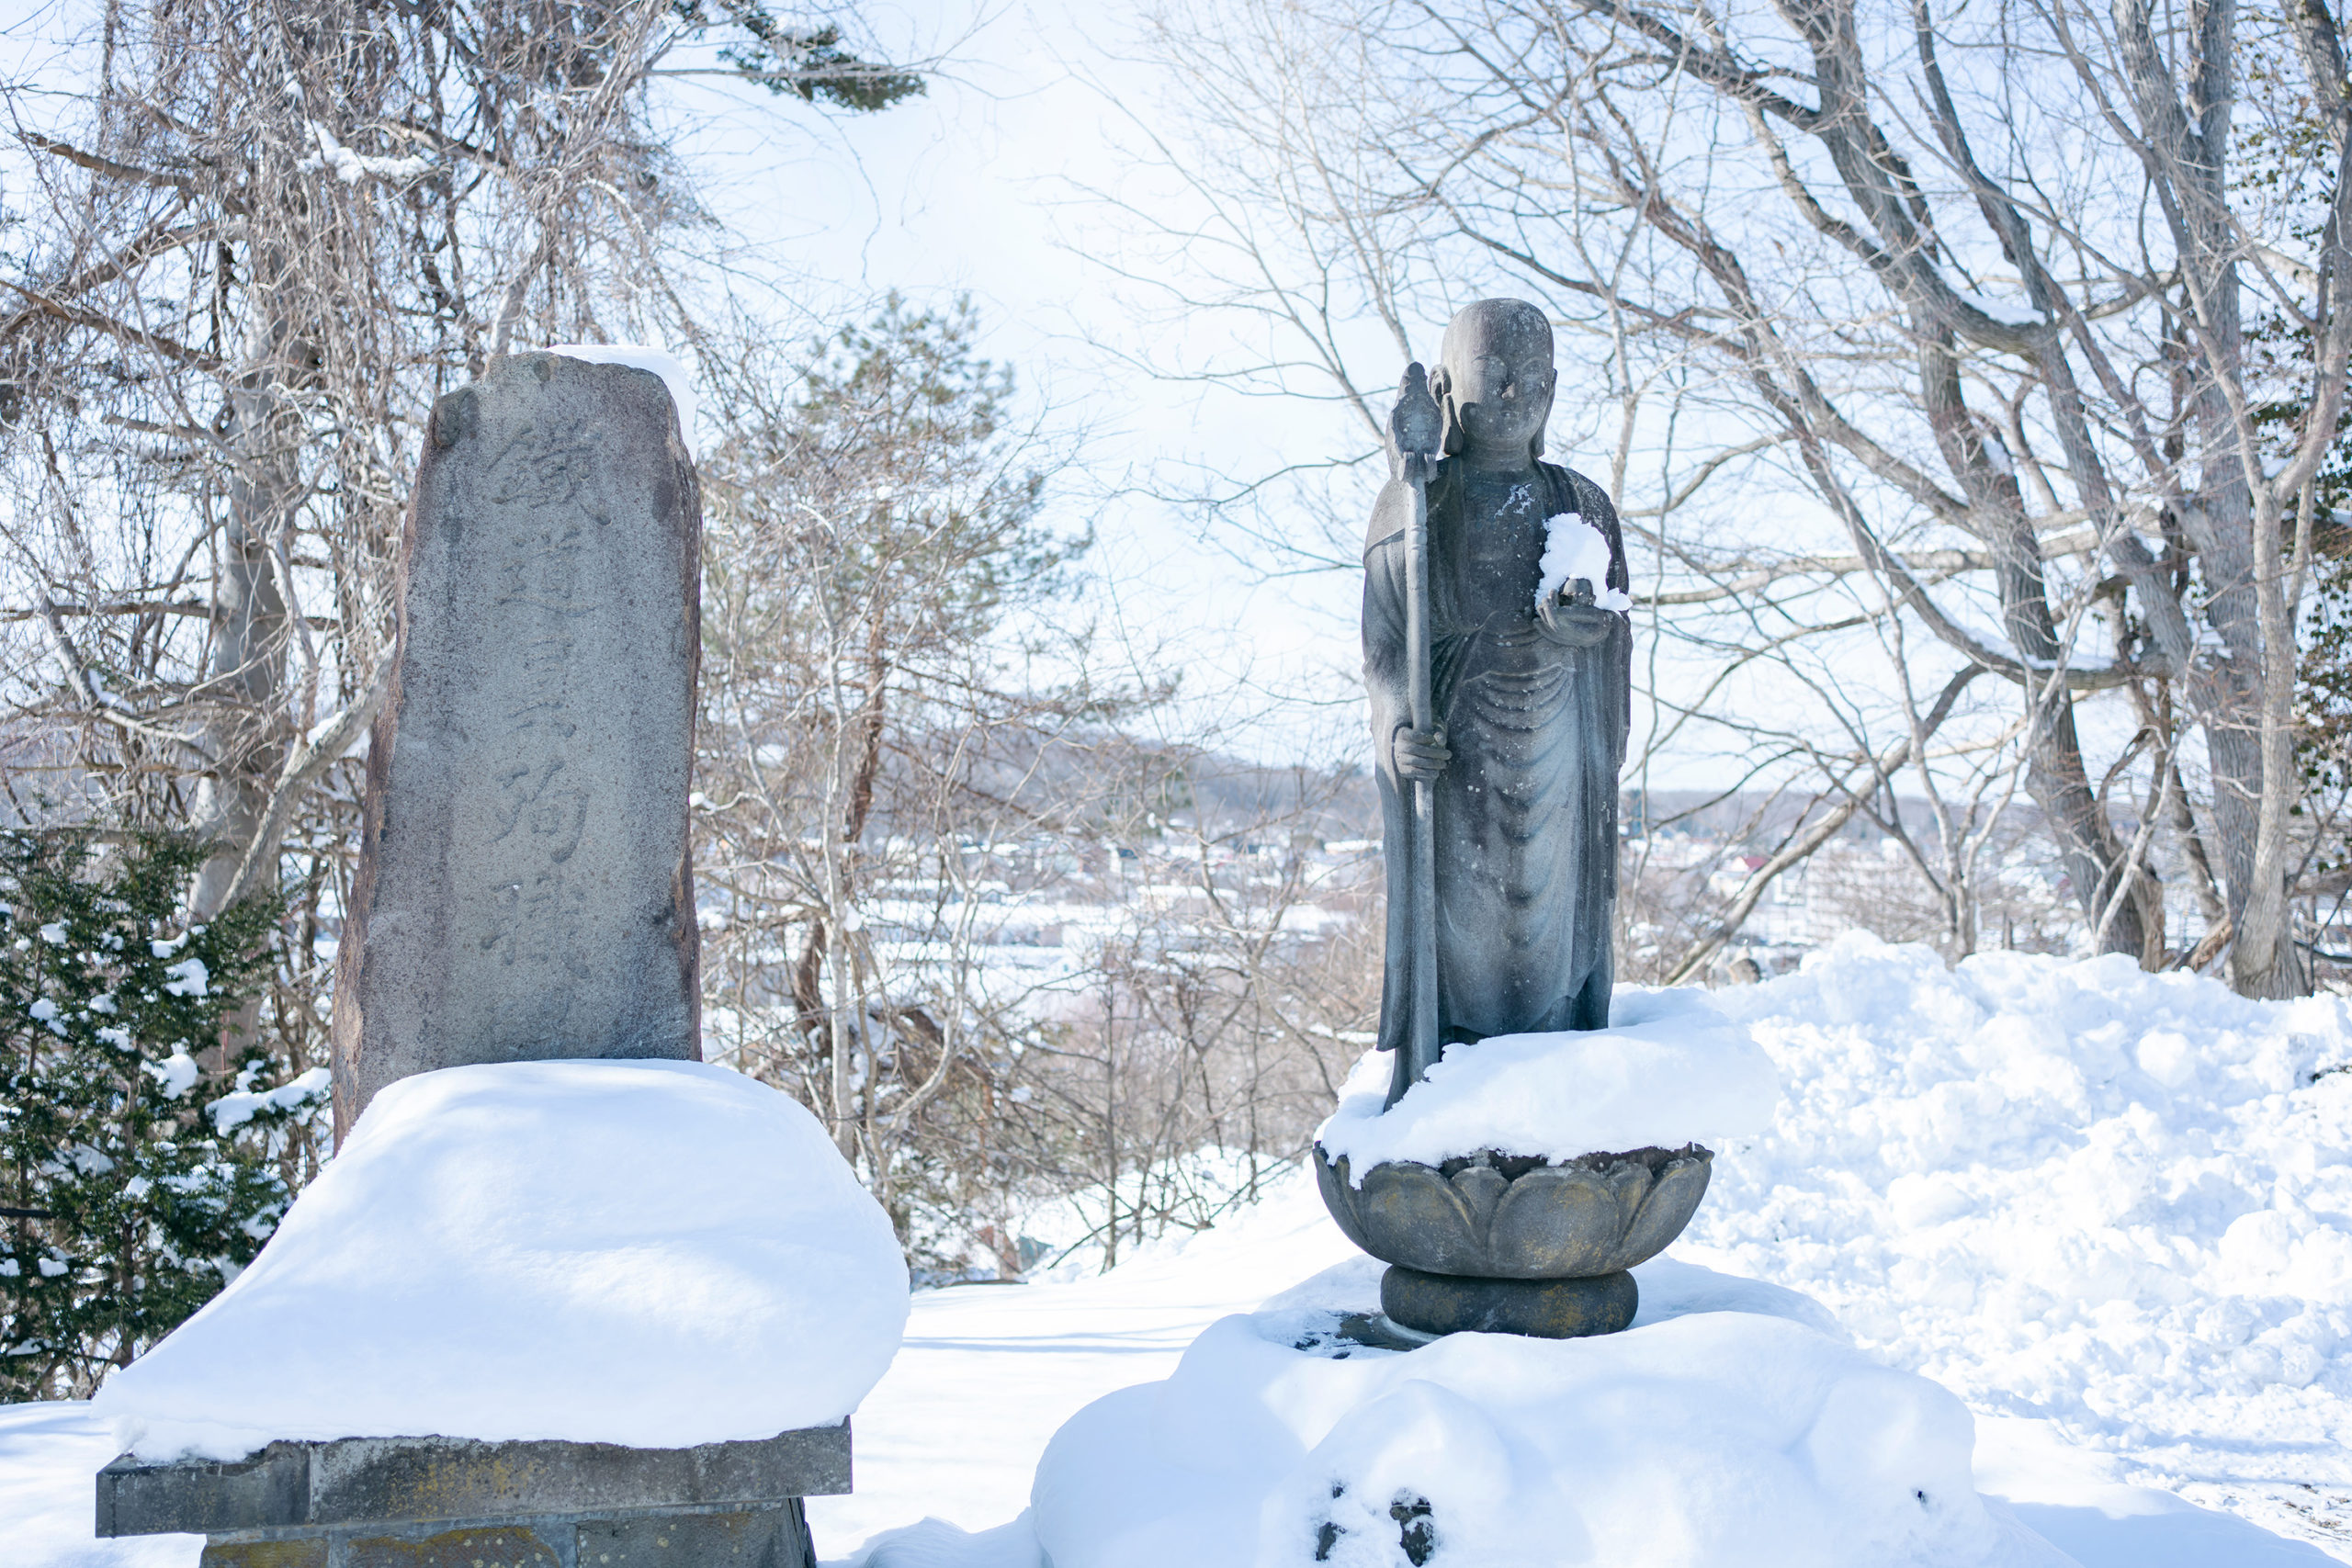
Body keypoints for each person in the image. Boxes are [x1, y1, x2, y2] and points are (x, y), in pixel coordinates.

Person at [1363, 299, 1633, 1107]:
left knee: (1547, 940)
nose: (1517, 393)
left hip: (1558, 757)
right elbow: (1383, 649)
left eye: (1536, 380)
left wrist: (1586, 632)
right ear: (1447, 392)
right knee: (1466, 936)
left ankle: (1556, 1086)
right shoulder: (1414, 506)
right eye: (1497, 375)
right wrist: (1398, 728)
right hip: (1457, 762)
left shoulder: (1579, 504)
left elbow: (1613, 625)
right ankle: (1451, 1081)